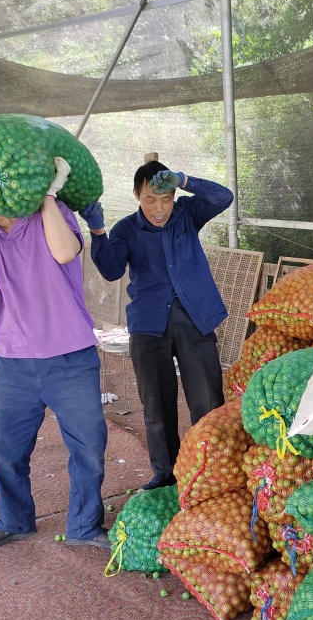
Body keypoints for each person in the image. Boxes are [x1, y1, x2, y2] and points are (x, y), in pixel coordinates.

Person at [0, 157, 109, 552]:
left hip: (71, 358)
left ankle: (85, 525)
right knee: (4, 449)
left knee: (88, 448)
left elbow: (64, 253)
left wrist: (46, 196)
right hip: (13, 362)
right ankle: (16, 521)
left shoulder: (51, 213)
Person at [87, 163, 232, 490]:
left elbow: (223, 197)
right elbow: (111, 271)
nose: (159, 208)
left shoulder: (187, 213)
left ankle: (213, 471)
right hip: (149, 324)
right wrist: (98, 233)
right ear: (137, 195)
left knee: (208, 402)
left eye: (166, 199)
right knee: (156, 406)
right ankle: (166, 475)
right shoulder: (126, 229)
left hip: (195, 318)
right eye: (151, 199)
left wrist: (185, 179)